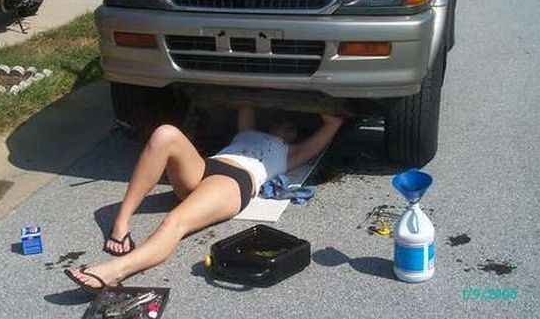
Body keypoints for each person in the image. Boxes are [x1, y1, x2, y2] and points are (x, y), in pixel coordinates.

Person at [65, 107, 345, 292]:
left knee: (175, 221)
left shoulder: (290, 152)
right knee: (165, 133)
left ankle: (114, 272)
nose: (285, 126)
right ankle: (121, 222)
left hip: (234, 182)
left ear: (294, 136)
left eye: (291, 128)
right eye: (282, 122)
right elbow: (245, 100)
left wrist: (326, 108)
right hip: (205, 167)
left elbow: (331, 126)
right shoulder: (246, 132)